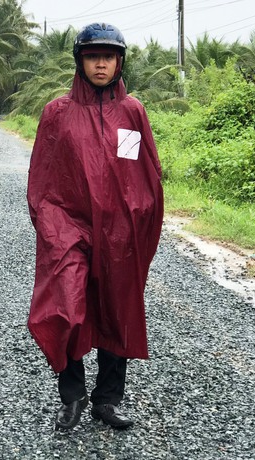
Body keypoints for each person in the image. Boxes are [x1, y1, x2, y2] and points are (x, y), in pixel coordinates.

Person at [26, 23, 164, 431]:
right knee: (65, 308)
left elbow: (143, 173)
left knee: (115, 310)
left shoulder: (132, 111)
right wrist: (52, 228)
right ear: (80, 61)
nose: (100, 63)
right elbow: (43, 178)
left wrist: (134, 219)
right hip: (69, 229)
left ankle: (107, 400)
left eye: (108, 56)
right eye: (92, 56)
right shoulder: (58, 112)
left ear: (120, 61)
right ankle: (71, 397)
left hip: (119, 232)